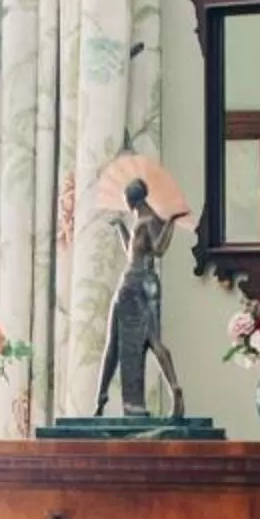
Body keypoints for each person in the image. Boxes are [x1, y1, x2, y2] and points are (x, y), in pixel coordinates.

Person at [95, 178, 186, 418]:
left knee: (115, 342)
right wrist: (120, 227)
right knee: (153, 340)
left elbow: (158, 249)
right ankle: (174, 387)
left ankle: (103, 398)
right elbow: (132, 252)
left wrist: (171, 223)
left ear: (130, 199)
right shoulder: (143, 219)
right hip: (148, 282)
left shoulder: (147, 221)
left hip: (134, 283)